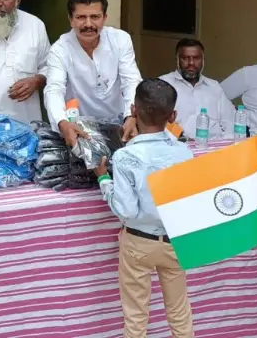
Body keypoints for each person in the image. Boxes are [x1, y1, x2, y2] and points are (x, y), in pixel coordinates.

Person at [96, 78, 194, 338]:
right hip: (174, 242)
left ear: (133, 110)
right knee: (180, 313)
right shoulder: (185, 153)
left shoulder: (125, 156)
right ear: (173, 116)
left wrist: (103, 178)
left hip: (138, 244)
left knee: (136, 318)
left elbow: (126, 210)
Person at [44, 0, 142, 146]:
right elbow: (54, 89)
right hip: (80, 129)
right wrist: (62, 122)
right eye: (81, 17)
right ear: (71, 19)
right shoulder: (60, 49)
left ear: (104, 18)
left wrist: (132, 116)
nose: (88, 24)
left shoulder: (120, 40)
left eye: (95, 17)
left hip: (121, 123)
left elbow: (131, 81)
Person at [160, 38, 235, 140]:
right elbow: (156, 123)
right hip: (177, 146)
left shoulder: (214, 87)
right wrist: (183, 139)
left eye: (196, 58)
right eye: (185, 58)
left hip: (215, 146)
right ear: (177, 60)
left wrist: (225, 142)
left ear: (203, 60)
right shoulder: (163, 85)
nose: (191, 63)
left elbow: (230, 122)